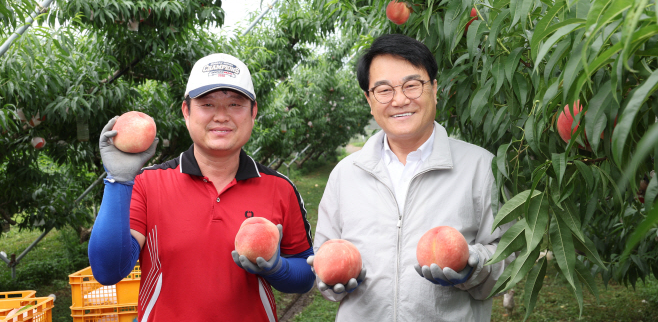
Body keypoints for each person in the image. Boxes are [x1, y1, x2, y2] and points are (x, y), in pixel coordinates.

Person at [88, 53, 315, 322]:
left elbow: (305, 275)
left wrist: (277, 268)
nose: (221, 116)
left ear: (253, 112)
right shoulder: (148, 184)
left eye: (235, 104)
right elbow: (108, 271)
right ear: (186, 111)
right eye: (207, 104)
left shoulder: (279, 188)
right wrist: (118, 181)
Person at [308, 34, 513, 321]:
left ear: (435, 89)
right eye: (383, 90)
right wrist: (330, 282)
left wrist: (472, 266)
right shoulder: (346, 174)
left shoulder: (480, 167)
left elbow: (509, 259)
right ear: (369, 99)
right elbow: (325, 257)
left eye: (412, 85)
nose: (400, 99)